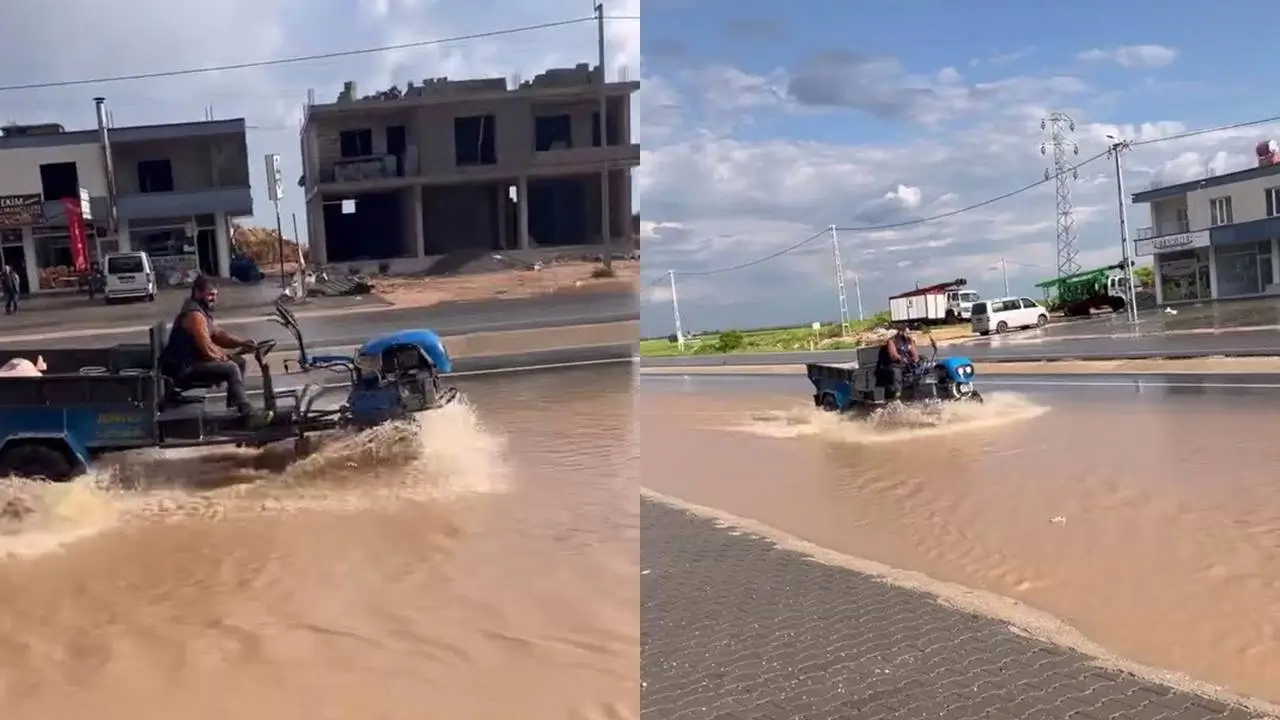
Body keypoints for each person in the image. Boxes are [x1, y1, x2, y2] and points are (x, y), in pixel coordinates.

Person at [160, 275, 271, 426]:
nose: (214, 298)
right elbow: (206, 347)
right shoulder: (194, 315)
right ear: (197, 293)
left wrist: (241, 343)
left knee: (240, 362)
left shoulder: (200, 311)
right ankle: (248, 414)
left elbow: (218, 335)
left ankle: (234, 407)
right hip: (185, 368)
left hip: (193, 362)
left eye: (215, 295)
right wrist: (225, 357)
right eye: (210, 294)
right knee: (231, 367)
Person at [875, 324, 919, 401]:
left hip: (906, 363)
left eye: (908, 332)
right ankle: (897, 393)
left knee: (918, 369)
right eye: (906, 332)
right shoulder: (892, 341)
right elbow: (893, 355)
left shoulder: (909, 340)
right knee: (896, 372)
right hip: (893, 364)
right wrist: (902, 358)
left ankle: (915, 392)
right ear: (900, 332)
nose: (908, 334)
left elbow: (914, 352)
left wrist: (915, 358)